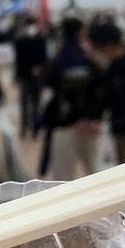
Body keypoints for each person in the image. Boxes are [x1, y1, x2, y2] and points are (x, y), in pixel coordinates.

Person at [88, 22, 125, 214]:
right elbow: (107, 97)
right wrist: (94, 118)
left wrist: (109, 127)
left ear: (108, 45)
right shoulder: (115, 66)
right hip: (121, 133)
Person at [42, 18, 104, 180]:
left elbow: (48, 83)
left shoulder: (57, 60)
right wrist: (93, 116)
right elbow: (102, 88)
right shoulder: (89, 60)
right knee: (95, 173)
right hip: (90, 124)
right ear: (80, 32)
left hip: (63, 123)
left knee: (63, 177)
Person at [15, 19, 48, 137]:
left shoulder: (41, 40)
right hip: (24, 76)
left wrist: (40, 69)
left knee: (36, 104)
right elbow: (18, 59)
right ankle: (24, 128)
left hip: (37, 77)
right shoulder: (20, 41)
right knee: (25, 104)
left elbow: (44, 58)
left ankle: (35, 128)